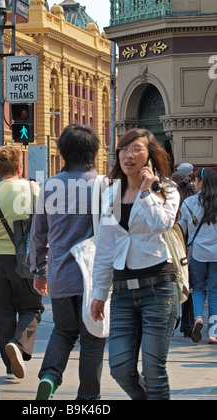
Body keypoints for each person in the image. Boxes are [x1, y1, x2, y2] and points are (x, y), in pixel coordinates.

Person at [91, 128, 180, 400]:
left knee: (154, 371)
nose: (129, 155)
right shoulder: (111, 193)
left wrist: (146, 191)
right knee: (120, 368)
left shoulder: (166, 190)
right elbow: (105, 247)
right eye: (124, 149)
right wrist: (98, 293)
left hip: (159, 288)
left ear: (149, 155)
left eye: (137, 149)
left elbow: (161, 223)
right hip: (122, 291)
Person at [30, 124, 107, 400]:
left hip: (59, 275)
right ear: (93, 151)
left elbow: (38, 234)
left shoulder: (48, 186)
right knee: (92, 339)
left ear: (62, 151)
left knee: (63, 331)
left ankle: (49, 376)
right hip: (93, 278)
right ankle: (88, 399)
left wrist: (39, 271)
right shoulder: (102, 185)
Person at [0, 145, 44, 380]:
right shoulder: (33, 188)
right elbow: (43, 225)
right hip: (25, 257)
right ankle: (18, 343)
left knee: (3, 312)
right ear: (20, 166)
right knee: (32, 307)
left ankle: (9, 365)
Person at [178, 167, 217, 345]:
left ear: (200, 182)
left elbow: (181, 230)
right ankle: (213, 333)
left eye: (195, 180)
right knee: (215, 292)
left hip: (198, 253)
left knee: (199, 289)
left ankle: (198, 317)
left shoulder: (189, 203)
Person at [171, 170, 195, 337]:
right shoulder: (192, 199)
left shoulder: (172, 199)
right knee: (189, 286)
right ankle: (188, 324)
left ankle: (172, 320)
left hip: (174, 246)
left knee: (172, 285)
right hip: (191, 249)